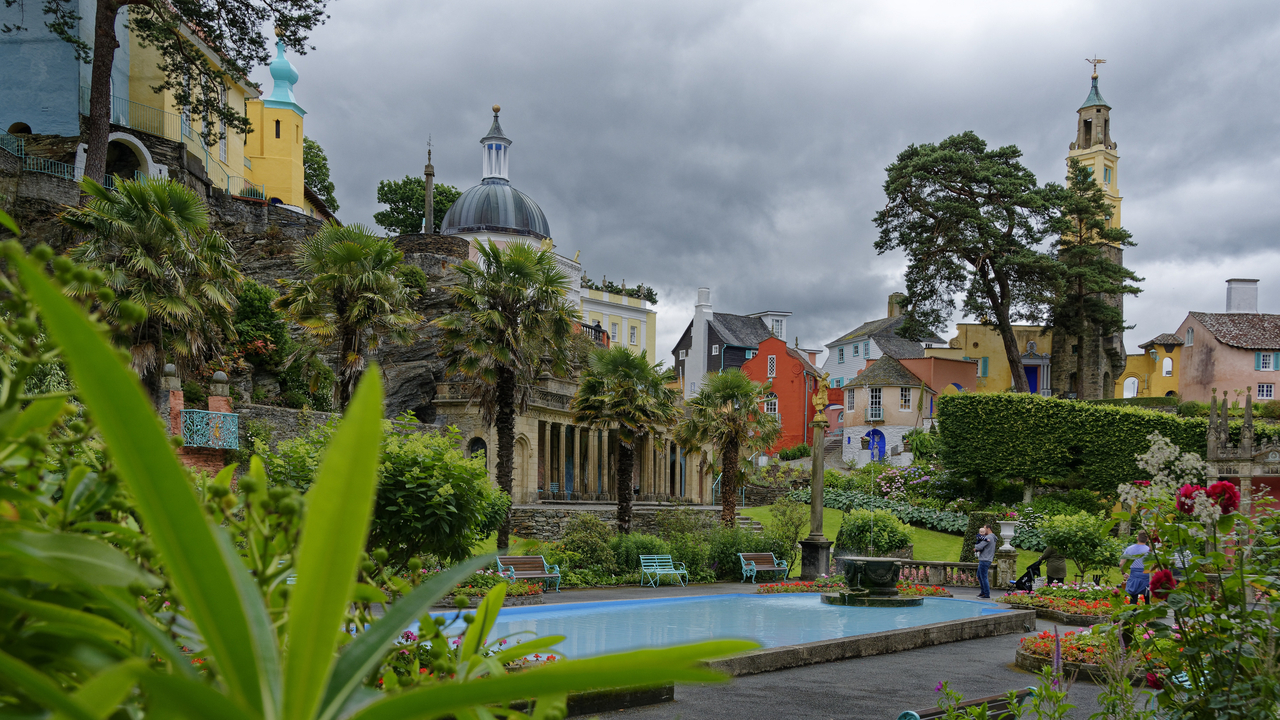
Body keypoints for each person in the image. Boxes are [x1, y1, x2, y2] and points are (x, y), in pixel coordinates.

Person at [1121, 531, 1152, 605]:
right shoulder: (1149, 550)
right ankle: (1148, 614)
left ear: (1137, 538)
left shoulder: (1129, 549)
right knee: (1148, 596)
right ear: (1147, 539)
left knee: (1133, 597)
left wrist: (1123, 573)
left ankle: (1132, 614)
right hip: (1146, 575)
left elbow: (1121, 563)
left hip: (1134, 575)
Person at [974, 525, 996, 598]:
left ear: (988, 529)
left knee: (983, 577)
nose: (983, 530)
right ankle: (983, 592)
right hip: (987, 559)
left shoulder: (988, 537)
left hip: (985, 559)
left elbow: (979, 546)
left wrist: (976, 547)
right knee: (980, 576)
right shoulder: (993, 537)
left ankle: (986, 594)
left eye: (984, 529)